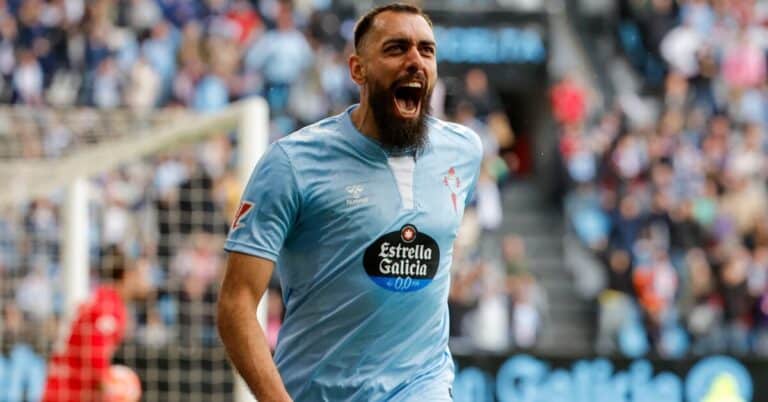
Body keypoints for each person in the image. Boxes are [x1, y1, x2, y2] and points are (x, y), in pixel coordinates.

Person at [217, 3, 483, 401]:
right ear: (357, 69)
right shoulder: (293, 163)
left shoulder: (463, 151)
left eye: (426, 50)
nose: (415, 61)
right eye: (396, 48)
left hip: (422, 386)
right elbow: (236, 304)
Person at [41, 246, 150, 402]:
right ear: (128, 276)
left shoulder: (101, 297)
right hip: (71, 392)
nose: (147, 283)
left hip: (61, 387)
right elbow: (93, 350)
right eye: (143, 276)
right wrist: (110, 386)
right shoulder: (109, 306)